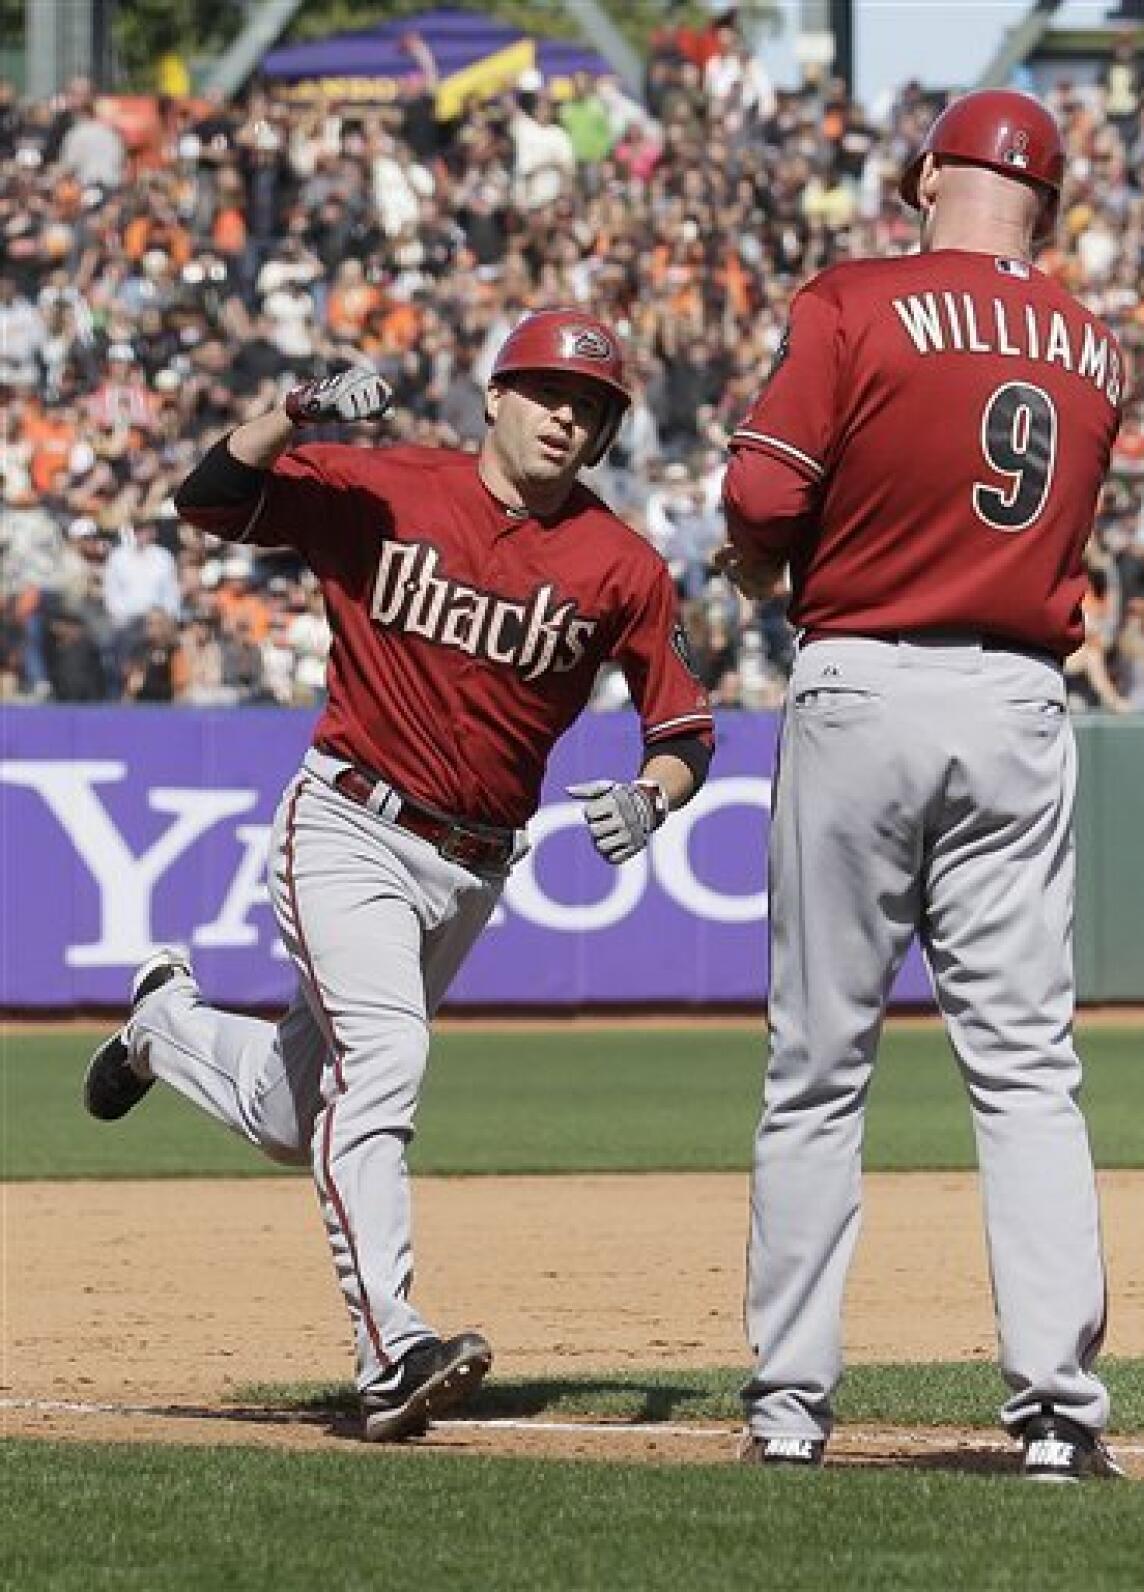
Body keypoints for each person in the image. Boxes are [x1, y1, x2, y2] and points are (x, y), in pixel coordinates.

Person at [83, 308, 715, 1442]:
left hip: (473, 870)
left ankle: (162, 1024)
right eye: (548, 392)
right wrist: (294, 409)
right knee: (386, 1055)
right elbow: (207, 502)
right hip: (349, 820)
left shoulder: (622, 564)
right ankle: (392, 1347)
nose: (568, 417)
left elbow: (686, 726)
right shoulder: (391, 489)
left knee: (291, 1111)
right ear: (496, 394)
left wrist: (653, 794)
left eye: (592, 406)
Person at [716, 89, 1125, 1482]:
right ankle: (1060, 1413)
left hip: (866, 678)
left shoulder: (856, 298)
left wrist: (772, 567)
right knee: (1026, 1070)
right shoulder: (1095, 348)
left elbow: (765, 500)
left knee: (819, 1069)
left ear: (933, 175)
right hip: (1018, 698)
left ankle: (787, 1409)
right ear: (1047, 203)